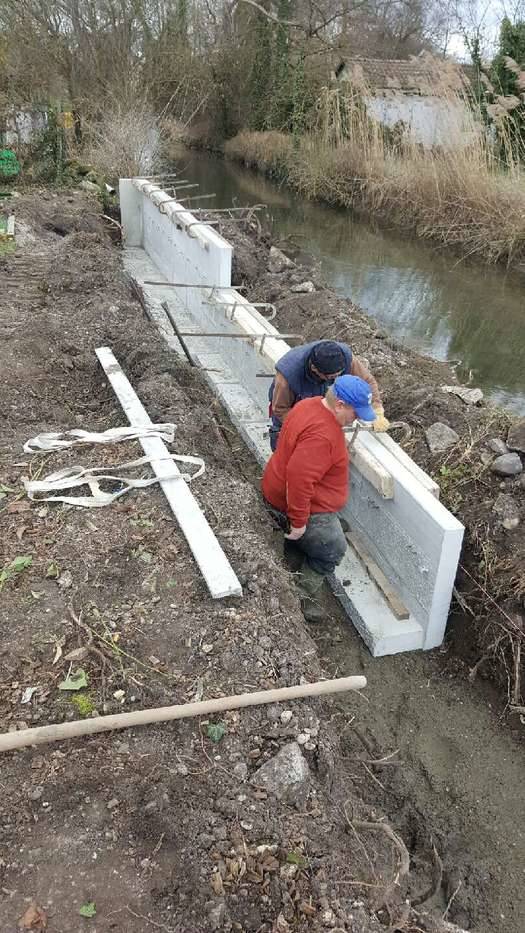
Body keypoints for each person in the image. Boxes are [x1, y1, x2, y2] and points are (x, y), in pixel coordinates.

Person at [262, 374, 377, 623]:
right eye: (356, 413)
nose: (357, 419)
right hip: (297, 504)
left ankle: (299, 543)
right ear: (340, 405)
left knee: (326, 533)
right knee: (334, 548)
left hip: (280, 489)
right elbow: (300, 479)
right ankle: (301, 597)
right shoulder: (323, 436)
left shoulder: (309, 404)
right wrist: (300, 522)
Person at [268, 339, 388, 450]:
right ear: (314, 369)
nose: (336, 378)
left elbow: (367, 381)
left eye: (339, 375)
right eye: (331, 377)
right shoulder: (288, 376)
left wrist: (376, 408)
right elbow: (280, 410)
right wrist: (307, 429)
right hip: (293, 403)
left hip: (320, 396)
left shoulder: (343, 357)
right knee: (284, 441)